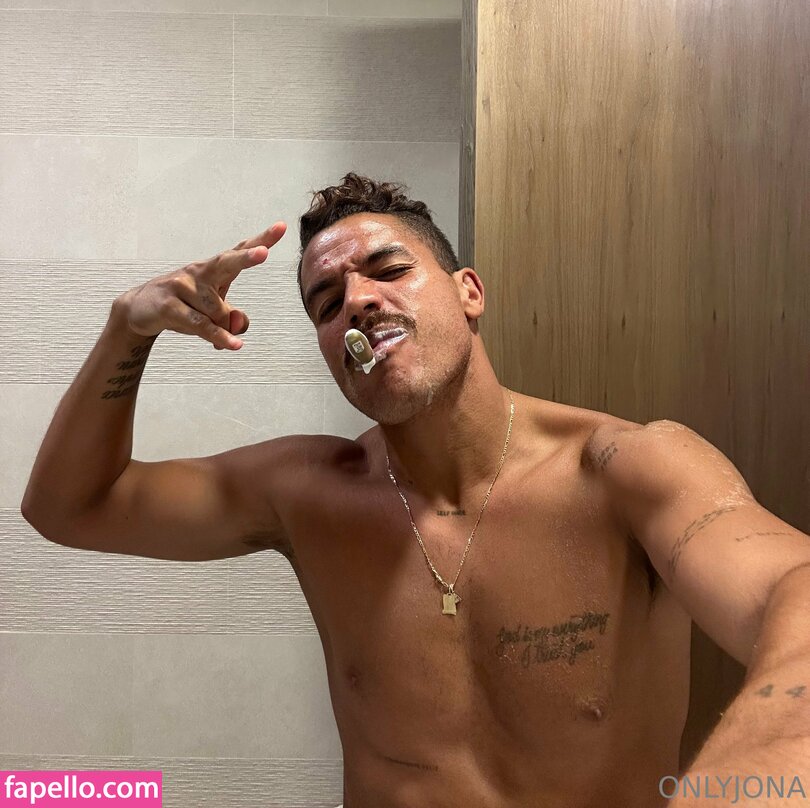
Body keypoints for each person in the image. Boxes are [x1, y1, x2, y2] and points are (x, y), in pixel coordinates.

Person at [21, 173, 810, 807]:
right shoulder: (308, 495)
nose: (358, 302)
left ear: (469, 293)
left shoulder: (623, 469)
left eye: (390, 271)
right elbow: (68, 506)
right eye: (326, 304)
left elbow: (794, 590)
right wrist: (128, 328)